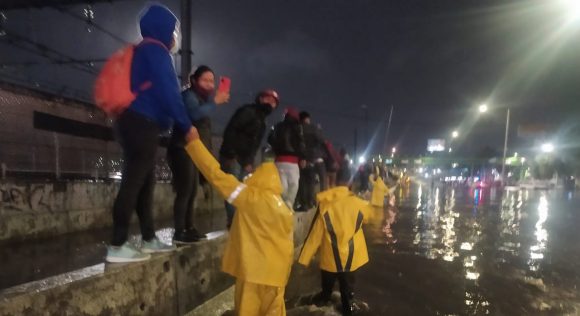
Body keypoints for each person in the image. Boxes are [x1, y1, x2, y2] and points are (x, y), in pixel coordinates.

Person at [106, 3, 196, 263]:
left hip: (132, 121)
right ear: (165, 30)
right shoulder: (156, 52)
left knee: (145, 183)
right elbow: (169, 93)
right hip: (142, 122)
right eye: (174, 30)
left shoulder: (139, 52)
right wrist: (186, 125)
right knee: (134, 182)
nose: (175, 37)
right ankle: (117, 243)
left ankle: (148, 239)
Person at [185, 127, 293, 316]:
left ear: (258, 177)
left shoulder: (248, 197)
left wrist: (195, 144)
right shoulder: (284, 209)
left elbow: (216, 176)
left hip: (252, 273)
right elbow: (288, 246)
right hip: (277, 276)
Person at [298, 169, 380, 315]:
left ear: (333, 183)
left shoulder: (324, 206)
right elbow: (372, 217)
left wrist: (304, 259)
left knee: (325, 293)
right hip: (352, 260)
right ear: (350, 183)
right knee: (348, 297)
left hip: (330, 261)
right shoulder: (360, 205)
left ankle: (319, 306)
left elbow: (314, 236)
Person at [167, 65, 229, 244]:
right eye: (205, 80)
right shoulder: (189, 96)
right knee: (185, 190)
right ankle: (179, 231)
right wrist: (215, 102)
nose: (210, 84)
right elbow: (193, 114)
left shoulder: (202, 99)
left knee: (192, 190)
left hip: (195, 150)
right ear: (194, 80)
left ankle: (189, 228)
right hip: (182, 148)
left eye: (212, 81)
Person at [219, 89, 279, 228]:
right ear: (260, 99)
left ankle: (238, 221)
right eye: (267, 99)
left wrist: (249, 161)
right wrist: (230, 154)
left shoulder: (262, 120)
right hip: (233, 157)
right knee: (232, 191)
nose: (270, 103)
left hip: (244, 161)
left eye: (274, 102)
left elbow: (255, 144)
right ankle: (233, 222)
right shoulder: (248, 111)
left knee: (242, 192)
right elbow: (231, 130)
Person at [268, 107, 306, 208]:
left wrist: (276, 148)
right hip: (293, 161)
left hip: (279, 160)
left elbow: (270, 139)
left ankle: (281, 205)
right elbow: (301, 143)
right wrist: (302, 157)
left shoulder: (277, 126)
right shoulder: (298, 127)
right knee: (293, 184)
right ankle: (289, 203)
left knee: (282, 185)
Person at [296, 111, 326, 211]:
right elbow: (322, 140)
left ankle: (304, 204)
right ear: (308, 118)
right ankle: (315, 202)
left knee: (303, 182)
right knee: (315, 181)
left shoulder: (298, 128)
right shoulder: (314, 128)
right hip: (314, 158)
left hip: (302, 159)